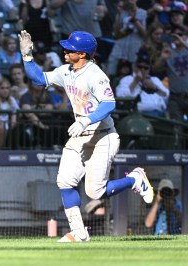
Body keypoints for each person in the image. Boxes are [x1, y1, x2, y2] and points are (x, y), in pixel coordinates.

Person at [18, 29, 154, 242]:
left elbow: (109, 104)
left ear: (82, 54)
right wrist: (27, 56)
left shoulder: (96, 74)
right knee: (64, 181)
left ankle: (135, 179)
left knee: (95, 192)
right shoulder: (66, 71)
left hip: (103, 136)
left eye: (70, 48)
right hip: (81, 135)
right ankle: (79, 233)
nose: (65, 50)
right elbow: (38, 78)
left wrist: (85, 119)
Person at [115, 53, 169, 117]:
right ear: (135, 67)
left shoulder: (155, 80)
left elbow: (166, 95)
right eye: (140, 67)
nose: (143, 69)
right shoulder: (127, 79)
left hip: (158, 113)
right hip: (136, 114)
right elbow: (120, 96)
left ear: (149, 70)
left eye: (146, 68)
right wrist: (135, 81)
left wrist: (155, 87)